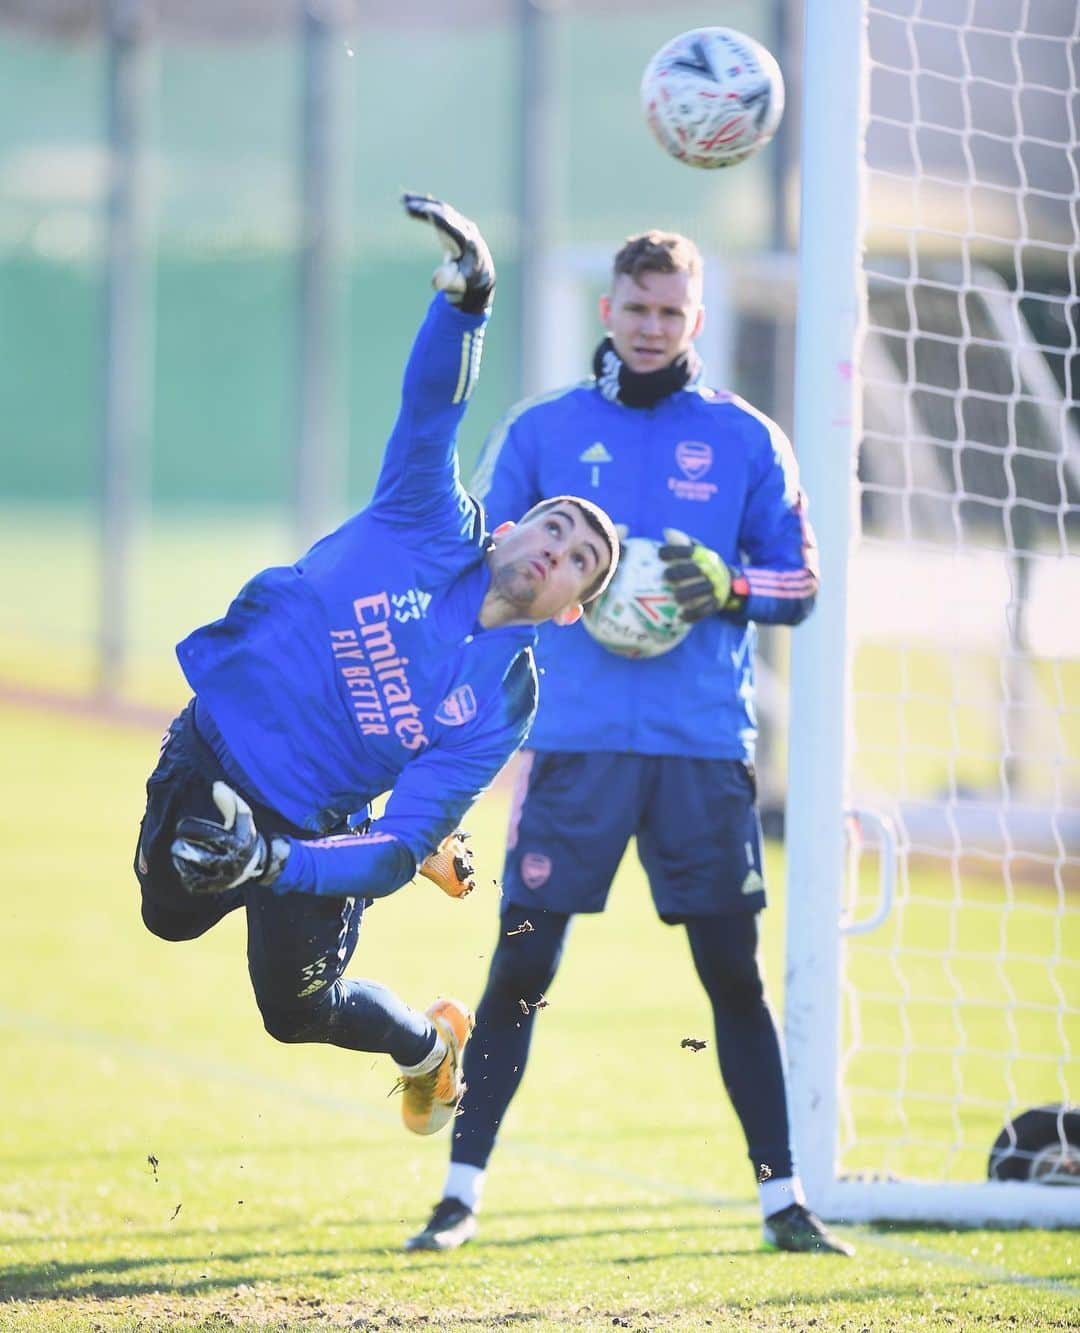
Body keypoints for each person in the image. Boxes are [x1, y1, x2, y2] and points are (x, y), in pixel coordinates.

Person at [406, 228, 855, 1254]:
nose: (651, 327)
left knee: (730, 974)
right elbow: (484, 557)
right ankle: (459, 1193)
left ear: (696, 320)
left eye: (671, 312)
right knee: (524, 966)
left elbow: (800, 584)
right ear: (606, 310)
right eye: (635, 307)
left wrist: (729, 585)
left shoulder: (748, 440)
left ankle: (782, 1201)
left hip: (700, 747)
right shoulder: (543, 430)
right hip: (574, 741)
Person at [134, 194, 619, 1140]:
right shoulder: (428, 517)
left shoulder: (507, 699)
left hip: (310, 829)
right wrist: (467, 305)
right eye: (553, 528)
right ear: (512, 525)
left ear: (572, 609)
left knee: (296, 1013)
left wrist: (280, 860)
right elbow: (432, 406)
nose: (557, 551)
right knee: (165, 917)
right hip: (215, 747)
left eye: (579, 563)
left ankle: (428, 1050)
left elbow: (395, 854)